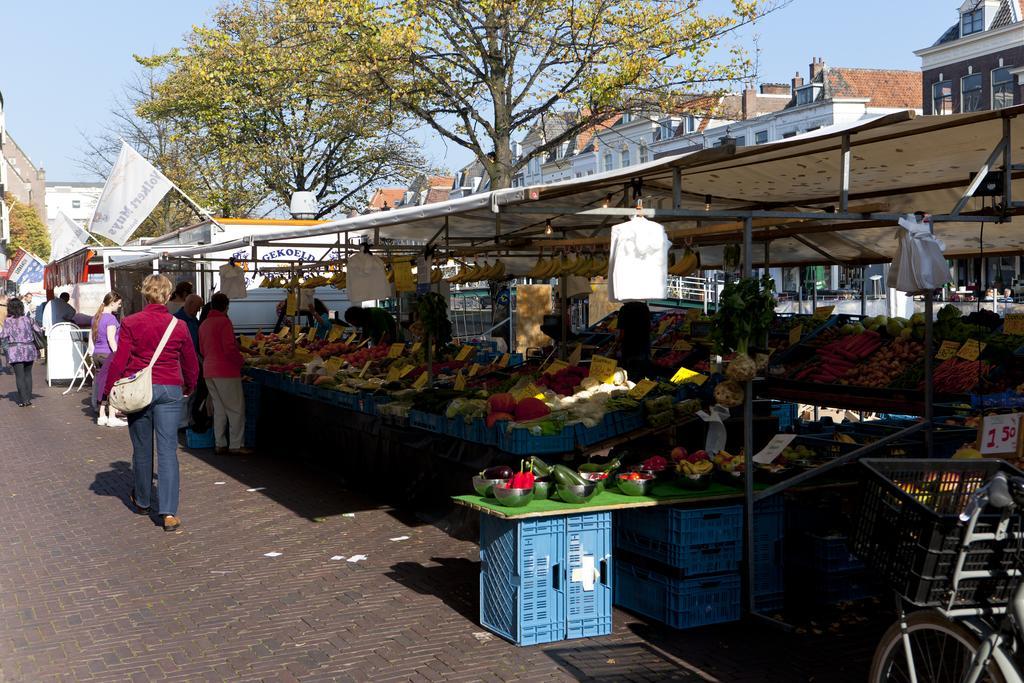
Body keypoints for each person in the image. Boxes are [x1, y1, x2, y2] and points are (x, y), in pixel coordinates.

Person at [103, 274, 199, 533]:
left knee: (142, 448)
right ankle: (168, 513)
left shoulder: (131, 322)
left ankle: (143, 500)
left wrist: (107, 391)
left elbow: (120, 360)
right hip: (170, 389)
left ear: (146, 294)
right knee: (168, 451)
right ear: (168, 296)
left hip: (139, 391)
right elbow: (190, 361)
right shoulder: (178, 325)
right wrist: (189, 385)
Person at [199, 293, 251, 455]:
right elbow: (229, 348)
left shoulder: (205, 324)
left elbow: (202, 349)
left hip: (209, 369)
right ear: (226, 306)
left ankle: (219, 443)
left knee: (220, 408)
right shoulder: (224, 322)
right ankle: (236, 445)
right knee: (236, 408)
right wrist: (241, 361)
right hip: (226, 370)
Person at [91, 292, 126, 427]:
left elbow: (93, 338)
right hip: (108, 354)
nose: (119, 306)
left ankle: (101, 415)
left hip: (97, 353)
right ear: (112, 303)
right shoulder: (111, 319)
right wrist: (119, 354)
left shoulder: (96, 317)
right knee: (112, 385)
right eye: (118, 304)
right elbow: (111, 339)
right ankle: (111, 416)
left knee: (101, 385)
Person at [0, 298, 42, 406]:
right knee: (28, 374)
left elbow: (3, 335)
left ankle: (23, 400)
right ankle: (27, 398)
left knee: (19, 376)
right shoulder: (28, 319)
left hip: (15, 350)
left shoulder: (8, 321)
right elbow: (39, 331)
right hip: (29, 349)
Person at [617, 301, 654, 382]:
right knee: (643, 372)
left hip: (629, 347)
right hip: (643, 345)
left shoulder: (624, 309)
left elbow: (622, 332)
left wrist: (617, 343)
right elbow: (650, 327)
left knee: (631, 376)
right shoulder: (644, 307)